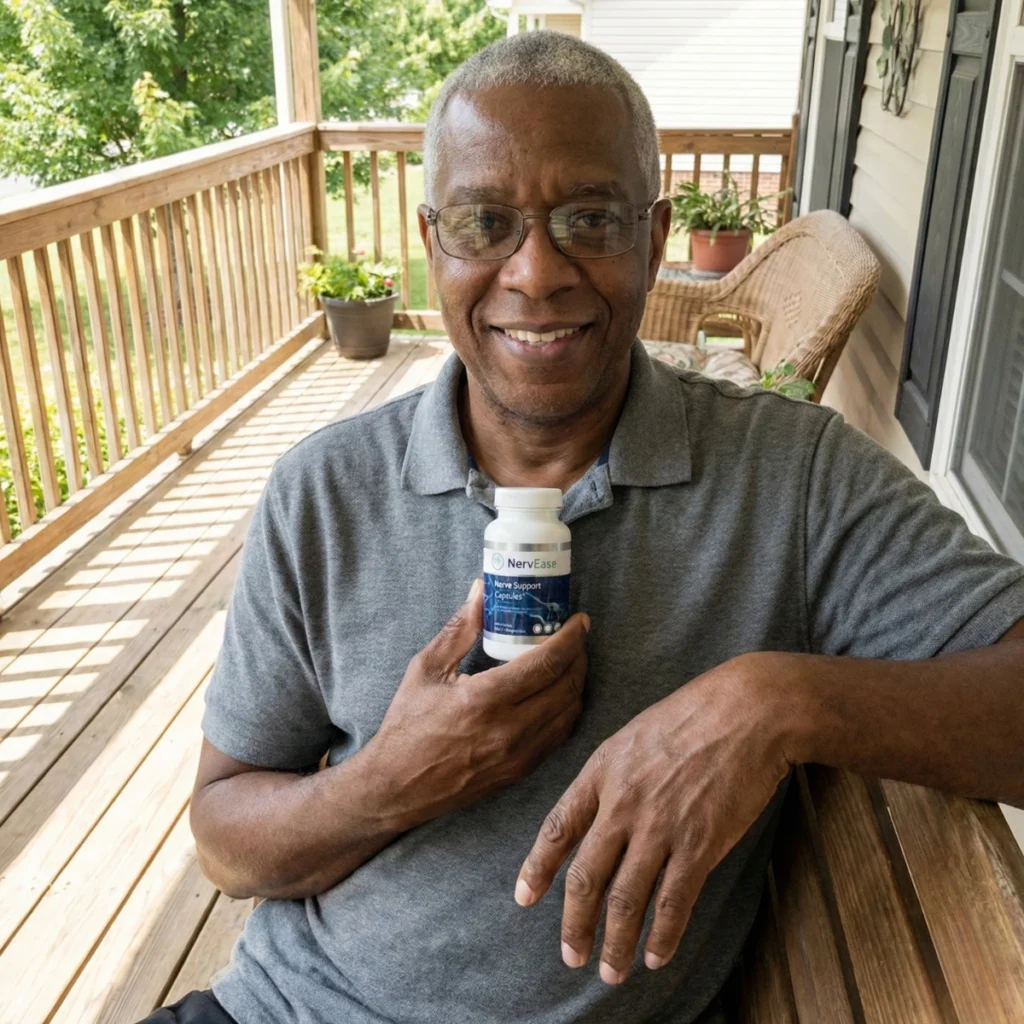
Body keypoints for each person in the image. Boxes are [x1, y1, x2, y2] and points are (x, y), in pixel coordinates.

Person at [139, 30, 1024, 1024]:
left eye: (589, 219)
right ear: (432, 244)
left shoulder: (791, 478)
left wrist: (778, 701)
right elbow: (226, 844)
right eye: (485, 222)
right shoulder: (323, 491)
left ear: (654, 238)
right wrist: (391, 779)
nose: (535, 271)